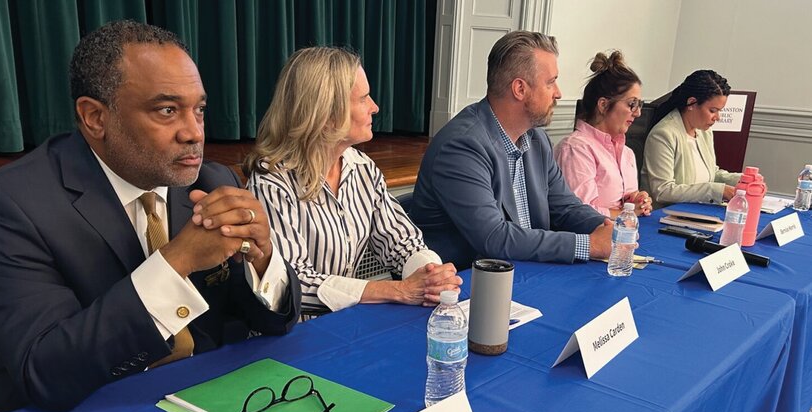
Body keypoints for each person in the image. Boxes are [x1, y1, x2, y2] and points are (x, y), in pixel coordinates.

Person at [0, 21, 301, 412]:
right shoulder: (7, 205)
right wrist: (178, 263)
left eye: (200, 110)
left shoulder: (212, 180)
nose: (194, 132)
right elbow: (46, 374)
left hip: (199, 402)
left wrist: (262, 262)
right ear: (94, 117)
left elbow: (267, 320)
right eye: (167, 110)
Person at [244, 47, 461, 318]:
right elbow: (292, 282)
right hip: (290, 336)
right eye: (364, 98)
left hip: (344, 324)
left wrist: (430, 275)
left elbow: (401, 241)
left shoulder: (362, 167)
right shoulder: (271, 183)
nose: (375, 107)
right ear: (326, 115)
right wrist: (397, 291)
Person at [412, 31, 611, 271]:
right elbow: (493, 238)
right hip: (466, 286)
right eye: (550, 82)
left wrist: (607, 228)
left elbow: (565, 208)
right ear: (520, 89)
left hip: (525, 272)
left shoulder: (537, 139)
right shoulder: (462, 146)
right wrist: (588, 245)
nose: (558, 93)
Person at [554, 51, 652, 217]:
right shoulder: (575, 149)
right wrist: (626, 213)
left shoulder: (627, 153)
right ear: (604, 105)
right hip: (590, 240)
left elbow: (626, 203)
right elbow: (580, 214)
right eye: (632, 104)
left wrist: (637, 200)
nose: (638, 113)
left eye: (640, 105)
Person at [643, 69, 741, 206]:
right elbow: (663, 191)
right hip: (667, 217)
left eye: (719, 111)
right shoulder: (663, 134)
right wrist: (716, 190)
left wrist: (740, 180)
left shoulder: (704, 132)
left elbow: (711, 173)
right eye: (712, 111)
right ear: (692, 103)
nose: (717, 118)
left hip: (696, 213)